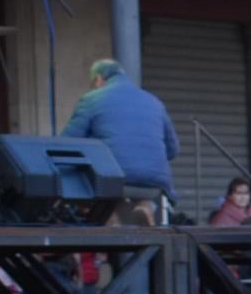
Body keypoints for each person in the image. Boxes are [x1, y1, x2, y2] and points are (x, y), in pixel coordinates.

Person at [61, 57, 180, 219]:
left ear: (98, 79)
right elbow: (173, 150)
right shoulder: (154, 102)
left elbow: (66, 144)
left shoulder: (91, 99)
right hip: (155, 183)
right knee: (131, 178)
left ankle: (111, 218)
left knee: (99, 179)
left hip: (113, 180)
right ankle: (144, 207)